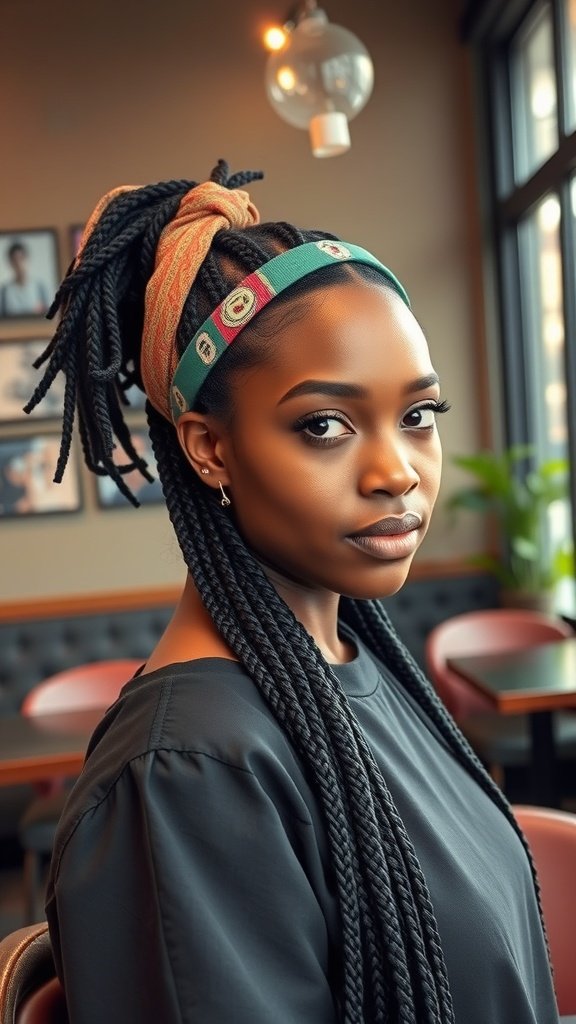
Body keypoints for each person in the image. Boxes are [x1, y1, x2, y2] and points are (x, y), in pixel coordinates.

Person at [28, 160, 560, 1024]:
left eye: (419, 415)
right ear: (208, 448)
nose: (397, 472)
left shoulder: (361, 663)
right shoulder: (185, 778)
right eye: (325, 425)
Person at [0, 240, 49, 316]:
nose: (19, 264)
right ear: (10, 263)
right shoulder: (4, 291)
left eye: (21, 258)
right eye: (15, 260)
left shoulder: (40, 287)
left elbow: (48, 316)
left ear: (27, 259)